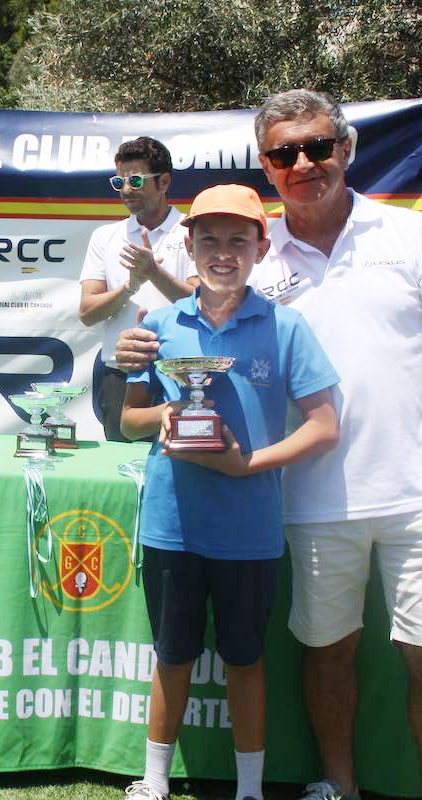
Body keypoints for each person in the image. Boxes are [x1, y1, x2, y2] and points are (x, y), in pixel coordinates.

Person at [116, 90, 422, 800]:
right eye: (284, 153)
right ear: (268, 166)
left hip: (419, 484)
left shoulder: (409, 235)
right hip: (311, 498)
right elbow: (197, 306)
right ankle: (339, 787)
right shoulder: (259, 266)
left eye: (317, 147)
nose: (303, 163)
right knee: (328, 653)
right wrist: (143, 332)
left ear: (345, 149)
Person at [120, 184, 340, 800]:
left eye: (238, 241)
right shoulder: (158, 324)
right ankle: (154, 781)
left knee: (245, 659)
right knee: (173, 655)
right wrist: (163, 417)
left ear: (261, 248)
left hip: (249, 529)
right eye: (208, 240)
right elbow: (128, 419)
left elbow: (325, 426)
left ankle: (249, 790)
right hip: (171, 523)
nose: (222, 253)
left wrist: (250, 466)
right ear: (186, 246)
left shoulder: (286, 327)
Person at [79, 136, 197, 441]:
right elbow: (88, 313)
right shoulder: (105, 236)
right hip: (122, 374)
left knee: (182, 474)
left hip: (181, 376)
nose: (126, 190)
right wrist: (129, 287)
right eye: (119, 182)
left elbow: (203, 306)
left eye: (135, 180)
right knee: (123, 477)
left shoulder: (192, 231)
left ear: (164, 182)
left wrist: (153, 273)